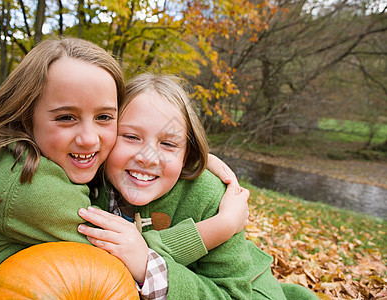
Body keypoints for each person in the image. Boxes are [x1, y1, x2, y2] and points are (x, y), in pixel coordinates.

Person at [0, 38, 247, 299]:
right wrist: (221, 226)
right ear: (24, 116)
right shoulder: (29, 186)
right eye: (66, 117)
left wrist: (193, 155)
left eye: (103, 118)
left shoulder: (26, 154)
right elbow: (122, 252)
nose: (88, 139)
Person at [77, 73, 319, 299]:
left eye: (169, 144)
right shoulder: (88, 177)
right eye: (130, 137)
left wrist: (149, 266)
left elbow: (233, 294)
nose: (148, 157)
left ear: (186, 154)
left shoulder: (211, 197)